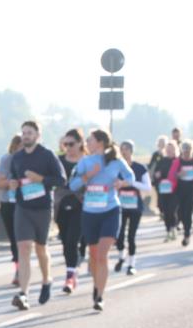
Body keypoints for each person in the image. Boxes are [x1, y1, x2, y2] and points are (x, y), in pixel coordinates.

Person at [69, 129, 134, 311]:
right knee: (94, 255)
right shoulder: (85, 161)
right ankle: (96, 286)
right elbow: (72, 185)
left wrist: (122, 183)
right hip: (90, 213)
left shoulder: (115, 161)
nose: (86, 143)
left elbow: (131, 177)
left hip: (111, 210)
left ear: (99, 142)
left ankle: (99, 296)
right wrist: (89, 175)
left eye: (89, 140)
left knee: (103, 254)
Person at [8, 120, 65, 310]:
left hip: (42, 208)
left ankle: (47, 280)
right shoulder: (17, 158)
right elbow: (13, 178)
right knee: (24, 247)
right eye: (23, 133)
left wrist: (40, 179)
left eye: (30, 133)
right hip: (23, 207)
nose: (26, 136)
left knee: (41, 248)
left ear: (38, 136)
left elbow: (61, 179)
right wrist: (13, 183)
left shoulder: (47, 155)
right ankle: (23, 294)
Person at [114, 141, 152, 275]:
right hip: (120, 205)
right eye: (121, 149)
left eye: (125, 149)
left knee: (131, 236)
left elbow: (148, 187)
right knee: (119, 235)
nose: (123, 152)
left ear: (131, 151)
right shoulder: (116, 167)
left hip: (135, 206)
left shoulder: (140, 168)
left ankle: (131, 265)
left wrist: (131, 183)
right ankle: (121, 257)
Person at [56, 129, 87, 294]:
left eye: (71, 144)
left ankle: (70, 276)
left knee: (72, 240)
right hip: (61, 205)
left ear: (81, 143)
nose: (68, 147)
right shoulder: (58, 160)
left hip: (82, 204)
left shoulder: (87, 161)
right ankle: (73, 269)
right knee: (65, 241)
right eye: (65, 144)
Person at [0, 134, 22, 286]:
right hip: (8, 202)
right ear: (14, 147)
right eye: (21, 148)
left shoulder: (33, 160)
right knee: (14, 239)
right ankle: (19, 270)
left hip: (26, 203)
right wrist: (12, 183)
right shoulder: (7, 160)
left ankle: (22, 269)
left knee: (24, 239)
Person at [168, 142, 193, 247]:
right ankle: (182, 227)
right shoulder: (177, 162)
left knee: (188, 212)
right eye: (184, 151)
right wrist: (178, 174)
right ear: (181, 151)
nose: (186, 153)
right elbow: (170, 176)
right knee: (180, 212)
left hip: (192, 190)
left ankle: (187, 235)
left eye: (188, 151)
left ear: (192, 150)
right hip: (179, 190)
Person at [155, 142, 179, 241]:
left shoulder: (178, 161)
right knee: (164, 211)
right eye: (168, 149)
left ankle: (173, 228)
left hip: (175, 191)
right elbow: (155, 173)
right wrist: (157, 175)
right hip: (163, 190)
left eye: (171, 148)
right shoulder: (162, 161)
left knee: (172, 210)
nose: (169, 150)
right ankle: (168, 230)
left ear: (175, 149)